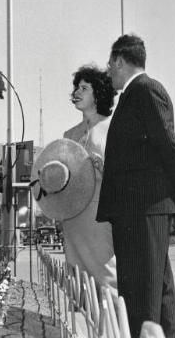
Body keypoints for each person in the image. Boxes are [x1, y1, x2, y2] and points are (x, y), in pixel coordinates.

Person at [97, 34, 175, 338]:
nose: (108, 71)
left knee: (141, 298)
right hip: (137, 212)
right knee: (158, 294)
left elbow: (169, 146)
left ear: (120, 61)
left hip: (144, 210)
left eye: (110, 64)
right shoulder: (135, 95)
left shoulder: (147, 91)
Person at [62, 65, 117, 291]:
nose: (76, 92)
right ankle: (83, 326)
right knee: (78, 284)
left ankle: (112, 325)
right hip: (73, 218)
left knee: (106, 280)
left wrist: (104, 168)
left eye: (84, 88)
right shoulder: (69, 135)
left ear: (98, 94)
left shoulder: (113, 128)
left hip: (101, 216)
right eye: (76, 87)